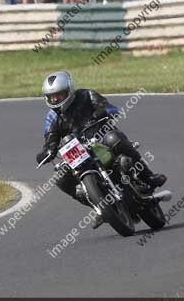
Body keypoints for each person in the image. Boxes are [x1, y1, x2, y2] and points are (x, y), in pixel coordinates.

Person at [36, 71, 167, 228]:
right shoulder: (51, 117)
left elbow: (111, 108)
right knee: (60, 177)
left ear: (69, 90)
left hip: (100, 140)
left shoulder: (86, 95)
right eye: (52, 97)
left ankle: (148, 176)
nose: (55, 99)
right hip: (78, 153)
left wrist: (102, 111)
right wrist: (47, 151)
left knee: (114, 138)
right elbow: (50, 139)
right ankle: (100, 208)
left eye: (59, 95)